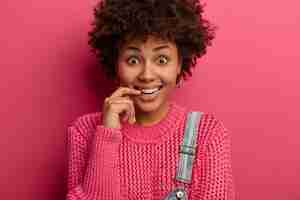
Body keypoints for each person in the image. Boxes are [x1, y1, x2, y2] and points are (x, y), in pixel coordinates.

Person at [66, 0, 235, 199]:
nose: (147, 75)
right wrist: (107, 136)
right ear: (115, 64)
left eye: (162, 59)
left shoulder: (208, 135)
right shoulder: (84, 132)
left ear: (180, 63)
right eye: (133, 60)